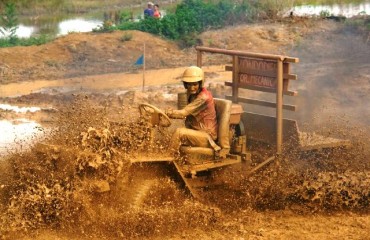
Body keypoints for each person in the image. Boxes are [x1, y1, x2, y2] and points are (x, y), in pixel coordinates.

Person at [166, 66, 220, 155]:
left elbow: (183, 114)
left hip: (207, 137)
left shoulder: (203, 97)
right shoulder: (192, 94)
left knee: (179, 133)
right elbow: (183, 110)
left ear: (200, 83)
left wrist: (168, 113)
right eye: (189, 84)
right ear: (185, 84)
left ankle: (167, 159)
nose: (191, 88)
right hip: (197, 131)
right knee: (169, 135)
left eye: (195, 84)